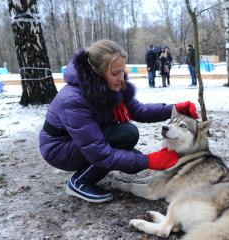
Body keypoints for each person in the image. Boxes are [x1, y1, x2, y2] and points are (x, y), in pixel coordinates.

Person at [39, 39, 199, 203]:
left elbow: (139, 111)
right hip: (59, 148)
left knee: (129, 147)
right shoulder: (74, 99)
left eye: (122, 71)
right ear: (97, 73)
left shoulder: (110, 86)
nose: (121, 78)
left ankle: (91, 171)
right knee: (127, 135)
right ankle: (79, 182)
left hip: (84, 140)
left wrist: (174, 109)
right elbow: (99, 152)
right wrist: (148, 161)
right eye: (115, 73)